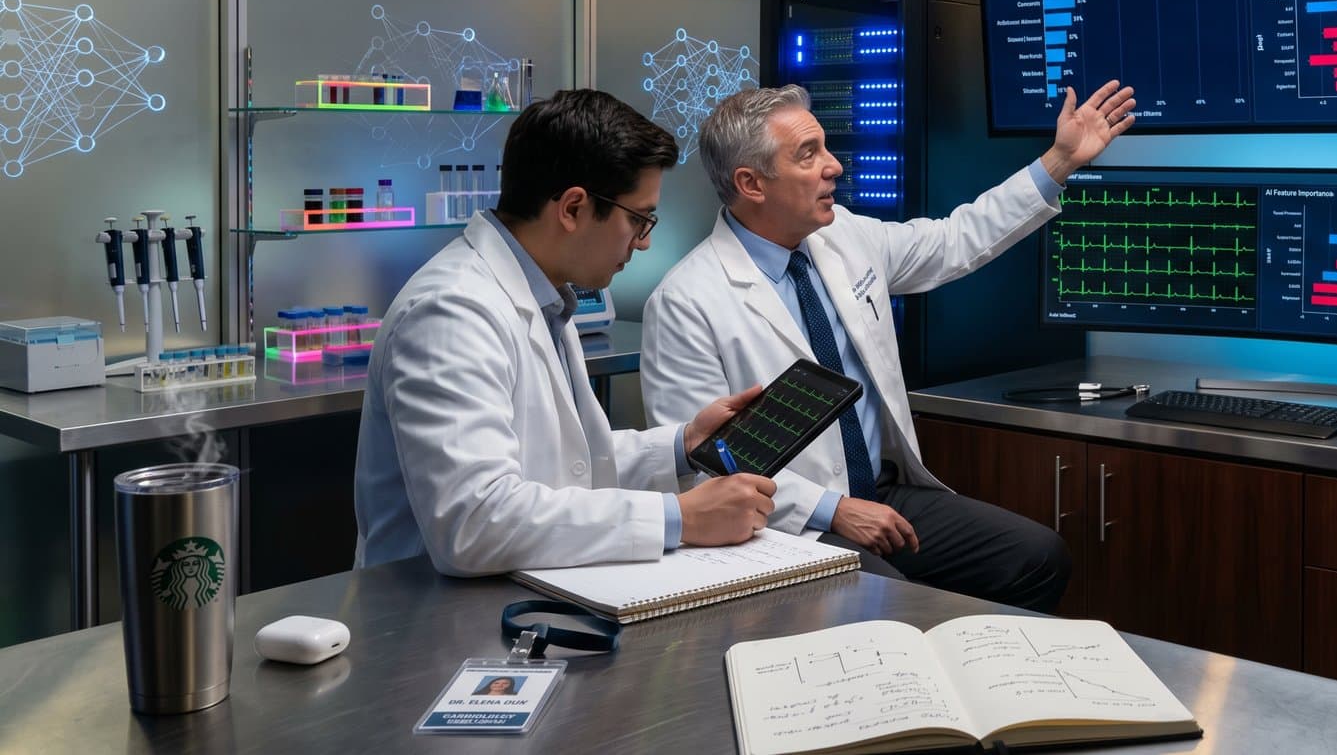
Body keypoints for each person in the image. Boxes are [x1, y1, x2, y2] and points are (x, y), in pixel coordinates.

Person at [641, 81, 1136, 611]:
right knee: (883, 602)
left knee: (1038, 556)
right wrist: (832, 509)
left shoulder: (846, 237)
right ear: (751, 183)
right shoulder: (686, 300)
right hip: (788, 522)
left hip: (884, 490)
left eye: (827, 147)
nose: (834, 166)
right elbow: (704, 464)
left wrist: (1057, 162)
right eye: (809, 155)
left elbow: (953, 241)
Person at [354, 89, 777, 577]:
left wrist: (683, 444)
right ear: (573, 208)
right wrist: (678, 518)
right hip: (432, 622)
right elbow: (473, 521)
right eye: (639, 220)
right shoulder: (451, 311)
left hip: (522, 594)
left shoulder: (543, 296)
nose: (644, 243)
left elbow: (568, 465)